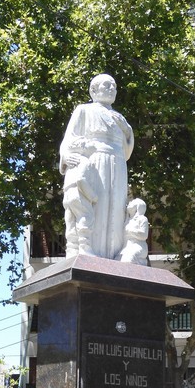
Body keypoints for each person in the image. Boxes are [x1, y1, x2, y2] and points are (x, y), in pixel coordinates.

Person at [59, 74, 134, 259]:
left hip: (118, 165)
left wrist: (127, 131)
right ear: (93, 90)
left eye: (114, 86)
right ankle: (87, 250)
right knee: (95, 206)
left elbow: (127, 150)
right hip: (95, 162)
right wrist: (67, 156)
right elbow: (68, 139)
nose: (111, 89)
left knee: (117, 207)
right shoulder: (84, 110)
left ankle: (115, 254)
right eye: (107, 85)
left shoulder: (120, 118)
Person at [117, 198, 149, 265]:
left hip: (138, 245)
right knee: (116, 261)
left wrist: (130, 231)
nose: (130, 202)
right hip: (126, 247)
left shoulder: (142, 219)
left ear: (138, 206)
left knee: (127, 260)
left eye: (132, 202)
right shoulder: (127, 220)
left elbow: (144, 235)